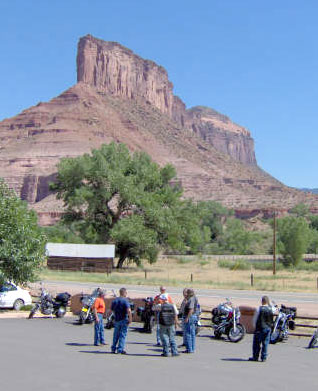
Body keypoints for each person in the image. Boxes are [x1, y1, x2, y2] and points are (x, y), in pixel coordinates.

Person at [249, 295, 275, 362]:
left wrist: (254, 326)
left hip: (260, 328)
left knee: (256, 344)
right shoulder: (271, 309)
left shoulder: (259, 309)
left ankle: (255, 357)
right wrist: (270, 304)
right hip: (268, 328)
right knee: (265, 343)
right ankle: (264, 357)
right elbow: (274, 309)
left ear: (262, 301)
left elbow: (255, 319)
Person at [111, 287, 132, 354]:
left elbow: (112, 310)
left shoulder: (115, 300)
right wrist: (130, 319)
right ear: (124, 293)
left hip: (117, 319)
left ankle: (113, 348)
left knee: (115, 335)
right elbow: (129, 311)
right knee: (122, 335)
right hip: (124, 319)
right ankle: (120, 349)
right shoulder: (125, 301)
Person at [183, 288, 199, 353]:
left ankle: (189, 349)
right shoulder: (194, 298)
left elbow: (191, 309)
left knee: (188, 333)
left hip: (190, 317)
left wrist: (187, 317)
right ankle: (192, 348)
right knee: (192, 332)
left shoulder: (191, 299)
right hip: (193, 316)